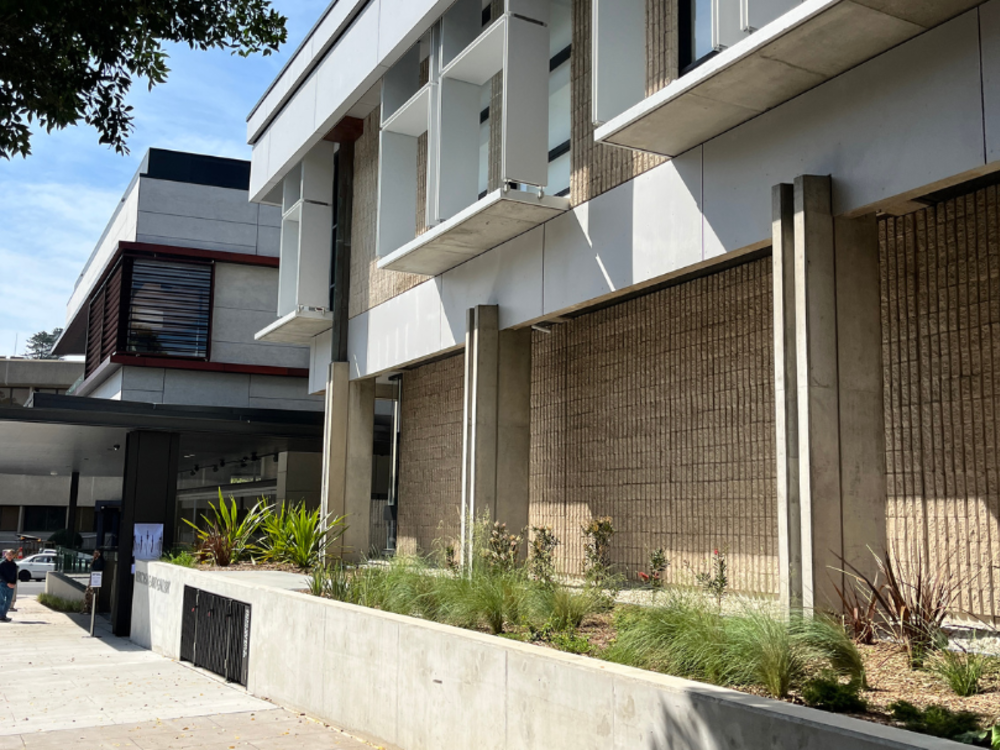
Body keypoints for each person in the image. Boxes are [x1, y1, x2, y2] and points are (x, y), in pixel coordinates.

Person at [0, 550, 18, 622]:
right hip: (3, 584)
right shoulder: (2, 564)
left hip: (11, 585)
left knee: (8, 601)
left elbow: (15, 575)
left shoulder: (14, 565)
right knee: (1, 601)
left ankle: (3, 615)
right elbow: (1, 575)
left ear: (13, 556)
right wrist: (7, 583)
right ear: (5, 555)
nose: (10, 556)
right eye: (8, 554)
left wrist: (13, 583)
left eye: (11, 555)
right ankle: (1, 616)